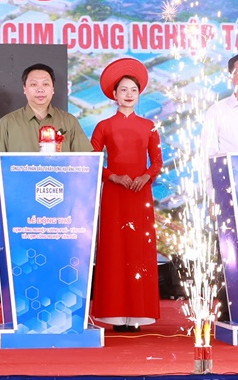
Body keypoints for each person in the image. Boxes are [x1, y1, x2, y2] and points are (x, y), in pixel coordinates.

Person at [89, 57, 163, 332]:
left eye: (133, 90)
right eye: (123, 90)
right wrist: (114, 177)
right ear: (114, 94)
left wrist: (146, 176)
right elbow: (94, 159)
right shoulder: (104, 126)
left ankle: (139, 314)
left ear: (139, 93)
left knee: (139, 248)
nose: (129, 94)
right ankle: (114, 314)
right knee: (114, 248)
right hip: (114, 194)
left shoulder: (149, 126)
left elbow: (157, 162)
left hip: (140, 194)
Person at [0, 63, 91, 154]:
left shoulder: (69, 121)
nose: (40, 89)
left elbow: (85, 160)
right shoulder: (7, 122)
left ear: (53, 89)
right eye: (33, 84)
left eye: (45, 84)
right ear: (24, 89)